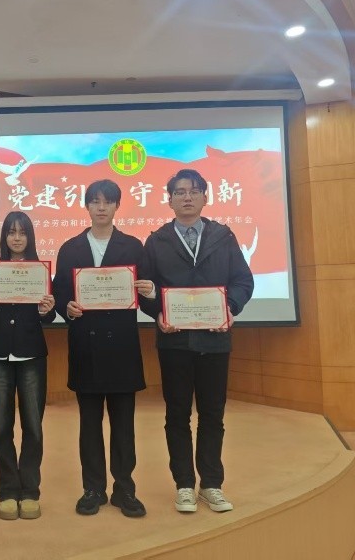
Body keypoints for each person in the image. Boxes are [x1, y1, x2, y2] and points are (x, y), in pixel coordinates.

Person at [139, 168, 254, 514]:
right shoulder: (156, 241)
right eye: (179, 192)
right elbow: (146, 289)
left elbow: (243, 281)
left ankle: (212, 484)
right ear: (169, 200)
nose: (186, 197)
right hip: (174, 342)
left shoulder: (223, 236)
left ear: (205, 196)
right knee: (177, 415)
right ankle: (185, 485)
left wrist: (230, 308)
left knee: (212, 415)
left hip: (215, 341)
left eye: (193, 191)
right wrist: (157, 312)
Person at [52, 179, 155, 518]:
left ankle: (125, 489)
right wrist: (67, 308)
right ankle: (93, 489)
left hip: (122, 348)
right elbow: (60, 294)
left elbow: (145, 300)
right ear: (86, 205)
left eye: (107, 201)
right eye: (94, 201)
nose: (101, 207)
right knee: (90, 424)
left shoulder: (133, 247)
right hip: (86, 348)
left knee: (124, 425)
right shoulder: (70, 248)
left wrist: (150, 291)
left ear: (116, 206)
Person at [0, 211, 56, 520]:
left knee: (33, 426)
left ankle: (30, 490)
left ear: (30, 236)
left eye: (22, 232)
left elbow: (49, 315)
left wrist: (47, 309)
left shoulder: (40, 270)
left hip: (31, 354)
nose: (17, 238)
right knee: (1, 426)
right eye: (11, 232)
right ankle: (8, 490)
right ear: (4, 237)